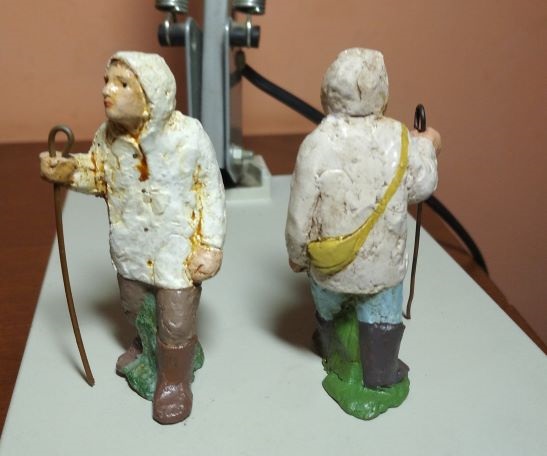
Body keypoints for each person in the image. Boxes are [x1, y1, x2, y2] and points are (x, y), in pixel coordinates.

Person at [40, 51, 226, 424]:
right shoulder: (107, 138)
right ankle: (146, 348)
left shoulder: (188, 136)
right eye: (107, 81)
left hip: (176, 254)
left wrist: (211, 246)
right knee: (134, 306)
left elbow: (211, 191)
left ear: (152, 92)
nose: (107, 90)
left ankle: (173, 382)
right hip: (131, 251)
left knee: (175, 320)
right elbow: (97, 175)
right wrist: (67, 170)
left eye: (122, 84)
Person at [285, 48, 440, 400]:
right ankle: (381, 371)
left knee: (328, 308)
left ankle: (330, 347)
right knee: (381, 314)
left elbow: (299, 215)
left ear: (327, 91)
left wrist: (297, 255)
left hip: (329, 267)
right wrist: (428, 145)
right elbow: (422, 184)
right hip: (383, 269)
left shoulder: (315, 144)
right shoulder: (400, 139)